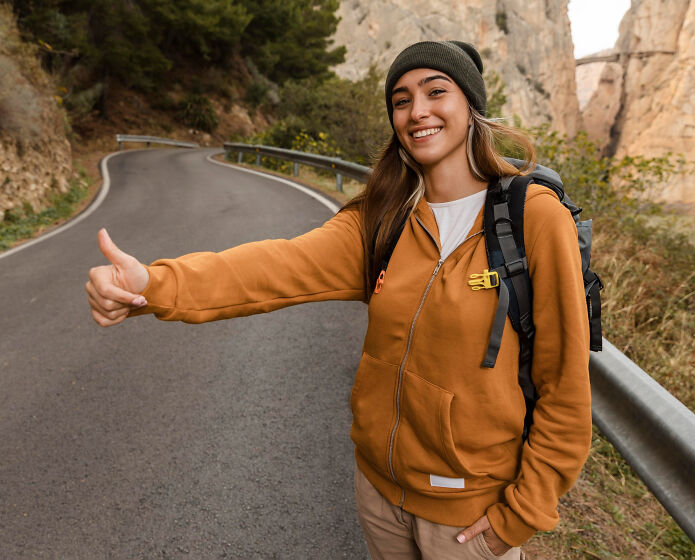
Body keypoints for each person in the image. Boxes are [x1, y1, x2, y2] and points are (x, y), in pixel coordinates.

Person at [86, 40, 591, 559]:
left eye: (436, 91)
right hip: (379, 495)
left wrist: (518, 520)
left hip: (468, 521)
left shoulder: (531, 218)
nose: (417, 111)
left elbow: (565, 388)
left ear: (471, 106)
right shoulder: (384, 220)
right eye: (400, 99)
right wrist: (151, 283)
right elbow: (270, 269)